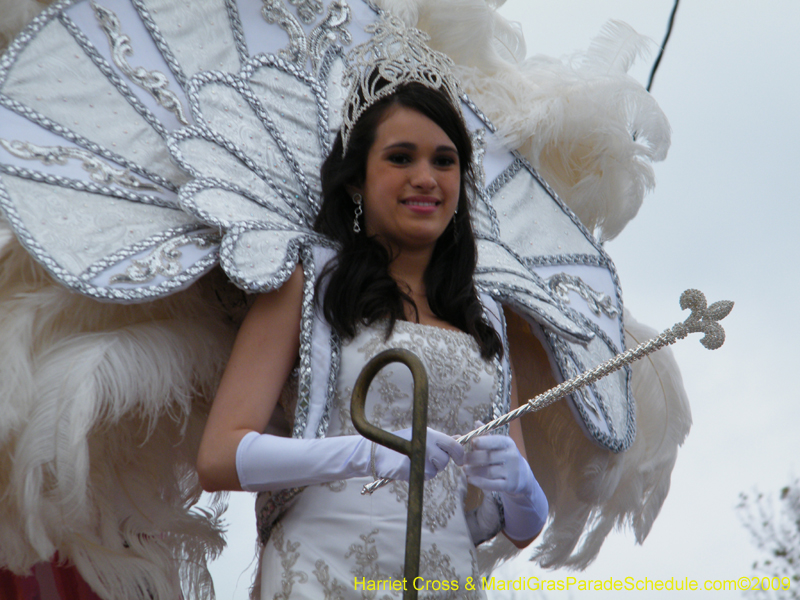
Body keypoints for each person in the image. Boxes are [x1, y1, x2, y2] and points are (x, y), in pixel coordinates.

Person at [196, 65, 549, 596]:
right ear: (358, 177)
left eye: (444, 161)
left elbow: (521, 530)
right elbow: (219, 457)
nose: (426, 177)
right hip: (320, 575)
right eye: (401, 157)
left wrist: (523, 489)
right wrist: (366, 451)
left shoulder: (486, 317)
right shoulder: (308, 284)